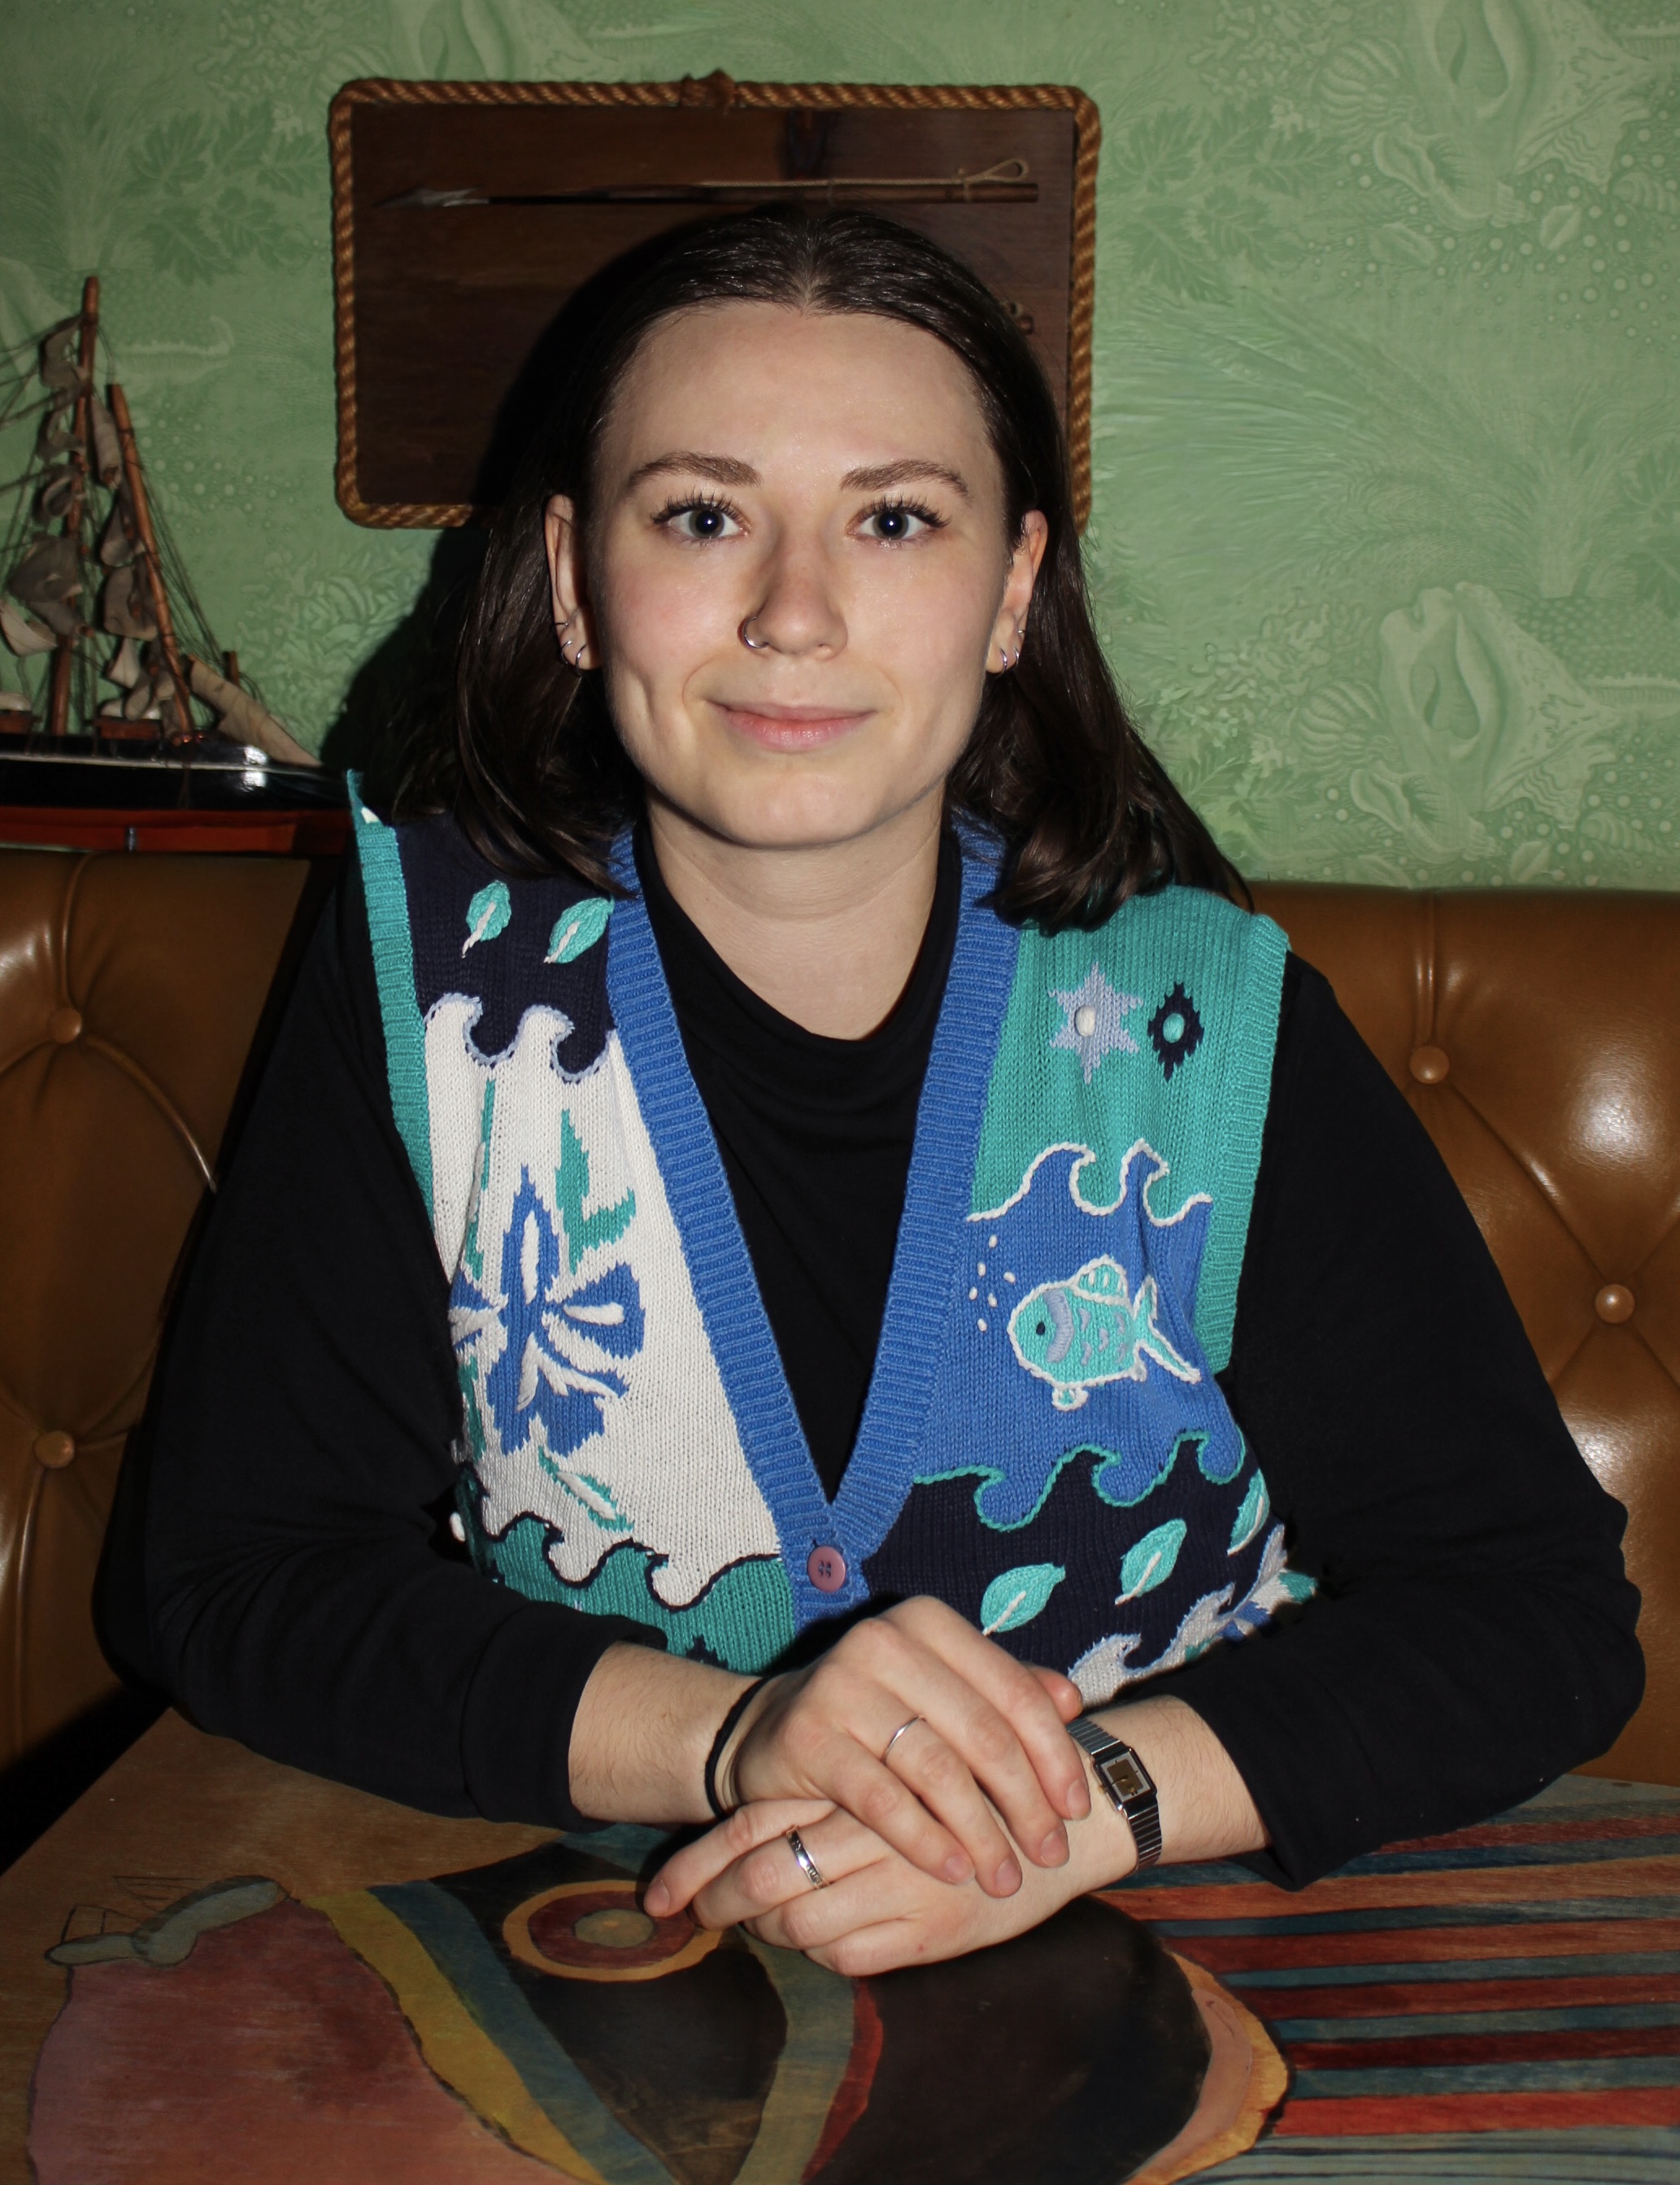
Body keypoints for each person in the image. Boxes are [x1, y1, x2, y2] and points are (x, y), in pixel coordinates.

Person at [109, 210, 1641, 1977]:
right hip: (599, 1988)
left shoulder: (1204, 1026)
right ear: (568, 575)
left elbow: (1536, 1615)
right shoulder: (426, 989)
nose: (792, 609)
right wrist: (728, 1735)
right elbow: (230, 1584)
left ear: (1009, 594)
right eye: (701, 514)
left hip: (1181, 1962)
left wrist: (1075, 1811)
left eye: (894, 518)